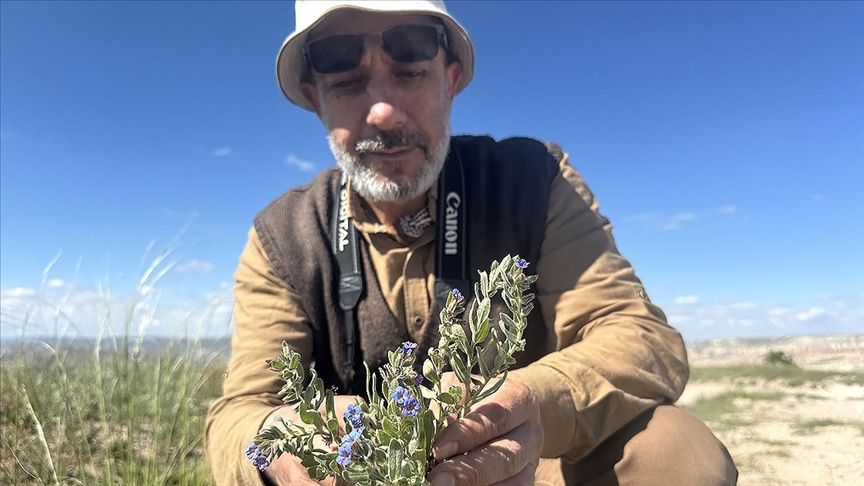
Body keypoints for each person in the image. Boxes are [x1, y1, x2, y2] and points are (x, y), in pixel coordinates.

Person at [205, 1, 738, 485]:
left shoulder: (533, 181)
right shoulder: (282, 235)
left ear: (450, 79)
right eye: (346, 82)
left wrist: (527, 406)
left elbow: (641, 339)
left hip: (521, 471)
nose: (384, 112)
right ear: (313, 98)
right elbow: (241, 414)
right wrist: (299, 455)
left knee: (675, 452)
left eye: (411, 71)